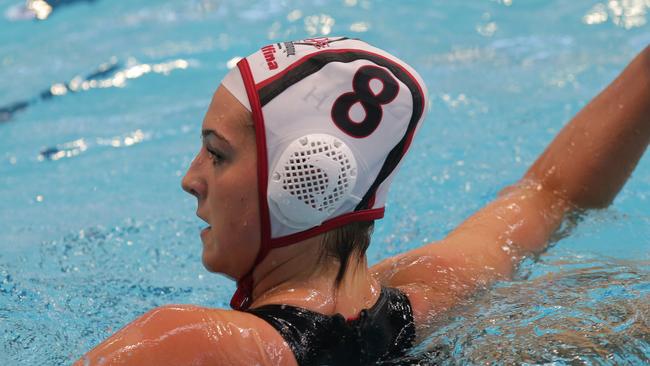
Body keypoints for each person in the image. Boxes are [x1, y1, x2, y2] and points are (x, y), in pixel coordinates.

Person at [75, 38, 649, 365]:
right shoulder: (432, 300)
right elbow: (549, 195)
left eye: (216, 154)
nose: (190, 178)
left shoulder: (190, 344)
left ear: (302, 181)